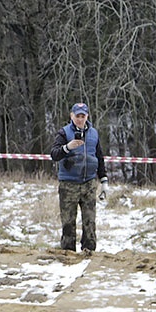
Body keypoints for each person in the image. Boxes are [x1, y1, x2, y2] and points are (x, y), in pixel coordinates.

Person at [49, 102, 107, 253]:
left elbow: (99, 157)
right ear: (71, 116)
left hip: (89, 183)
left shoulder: (94, 133)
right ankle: (68, 253)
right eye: (77, 116)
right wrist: (68, 147)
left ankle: (89, 251)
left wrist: (104, 180)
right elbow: (54, 154)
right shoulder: (63, 133)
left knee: (90, 221)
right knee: (68, 222)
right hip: (69, 184)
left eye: (83, 116)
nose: (80, 119)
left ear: (87, 116)